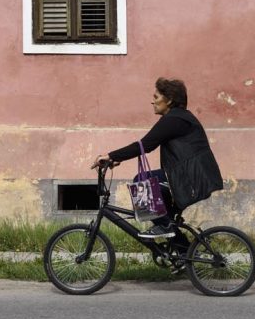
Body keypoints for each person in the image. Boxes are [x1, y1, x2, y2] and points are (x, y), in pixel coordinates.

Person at [92, 78, 223, 250]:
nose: (152, 101)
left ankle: (166, 227)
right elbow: (145, 145)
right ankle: (183, 252)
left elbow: (145, 145)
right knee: (160, 212)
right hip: (192, 174)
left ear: (169, 100)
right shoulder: (179, 118)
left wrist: (110, 156)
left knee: (141, 181)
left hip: (190, 176)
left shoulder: (174, 119)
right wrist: (117, 158)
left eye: (156, 97)